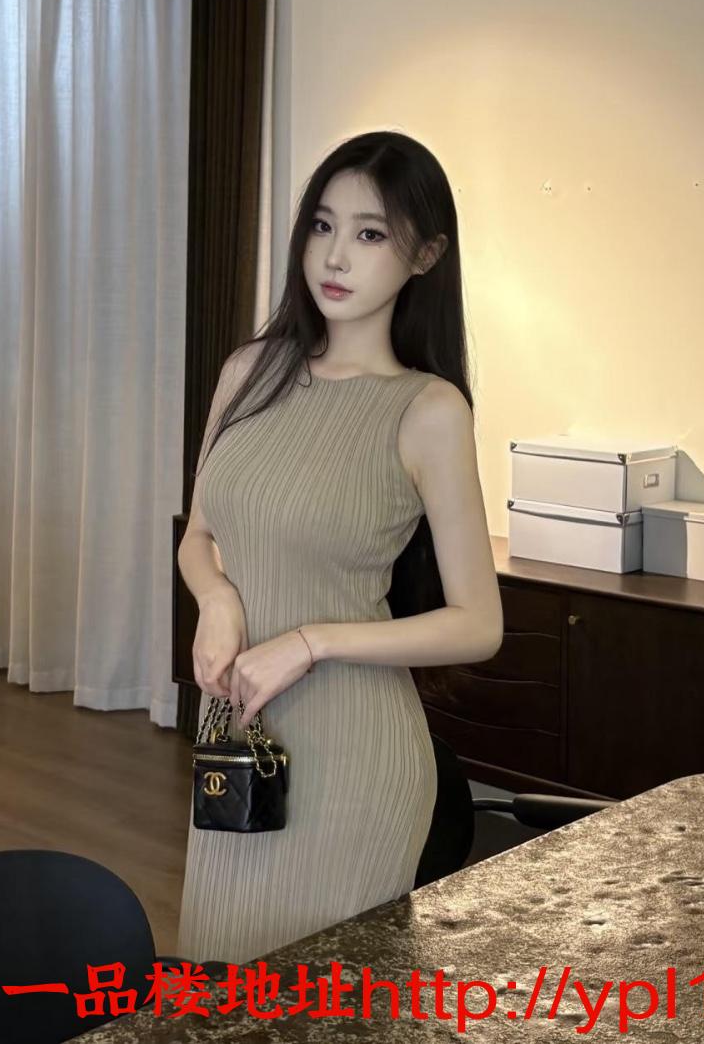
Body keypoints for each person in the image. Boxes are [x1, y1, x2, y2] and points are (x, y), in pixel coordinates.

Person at [175, 130, 503, 967]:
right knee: (223, 985)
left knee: (325, 1001)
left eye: (370, 233)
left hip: (356, 753)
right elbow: (199, 534)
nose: (335, 256)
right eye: (322, 225)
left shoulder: (428, 410)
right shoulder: (248, 372)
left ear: (425, 255)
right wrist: (216, 596)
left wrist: (310, 641)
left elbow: (478, 624)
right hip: (241, 735)